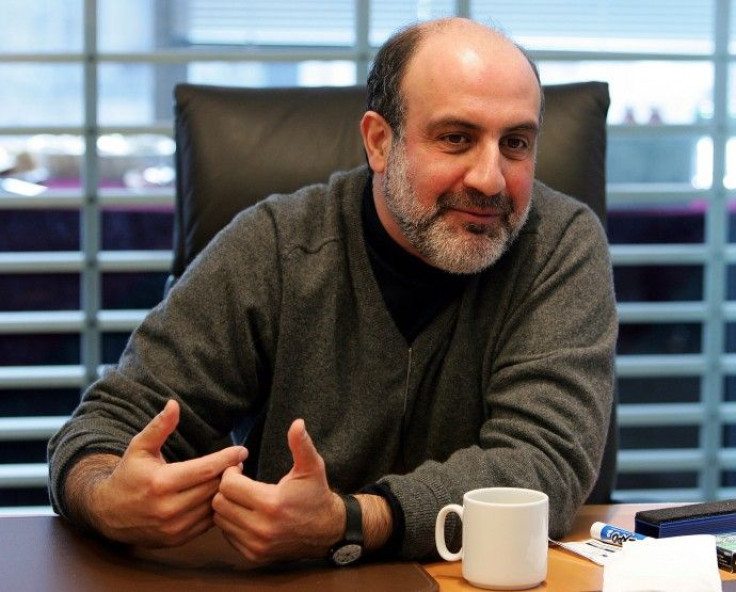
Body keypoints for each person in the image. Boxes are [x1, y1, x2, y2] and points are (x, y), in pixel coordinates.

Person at [48, 17, 617, 565]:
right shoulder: (275, 247)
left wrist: (352, 521)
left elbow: (543, 463)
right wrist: (106, 497)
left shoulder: (558, 244)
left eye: (515, 143)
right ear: (378, 142)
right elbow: (103, 430)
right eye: (455, 138)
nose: (490, 179)